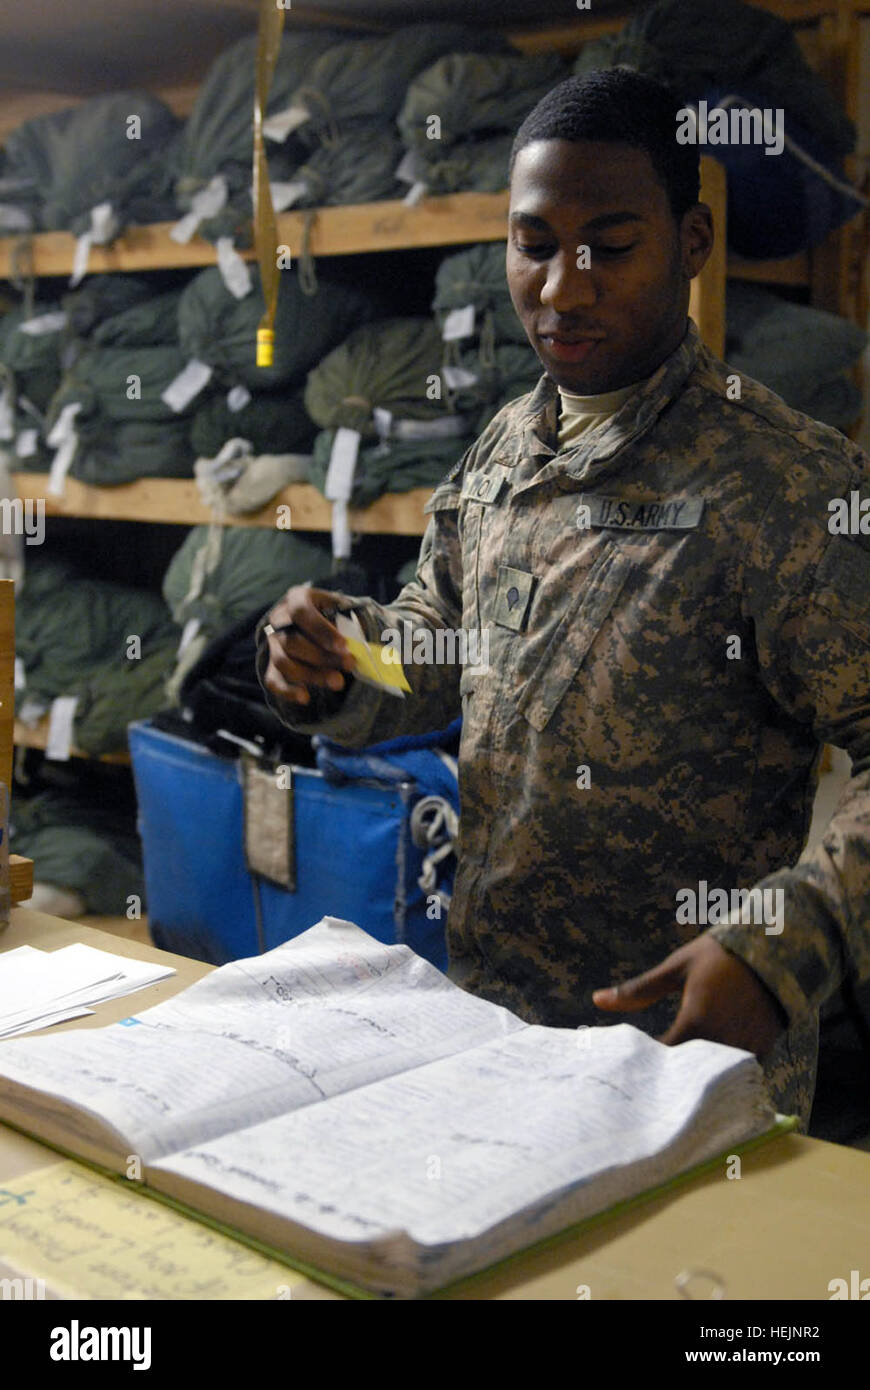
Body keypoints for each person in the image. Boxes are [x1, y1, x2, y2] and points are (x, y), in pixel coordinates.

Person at [257, 69, 870, 1129]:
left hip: (690, 1073)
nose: (564, 288)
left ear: (693, 244)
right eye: (534, 245)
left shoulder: (787, 488)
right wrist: (336, 661)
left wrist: (785, 940)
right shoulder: (505, 448)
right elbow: (439, 647)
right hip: (495, 1035)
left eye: (610, 246)